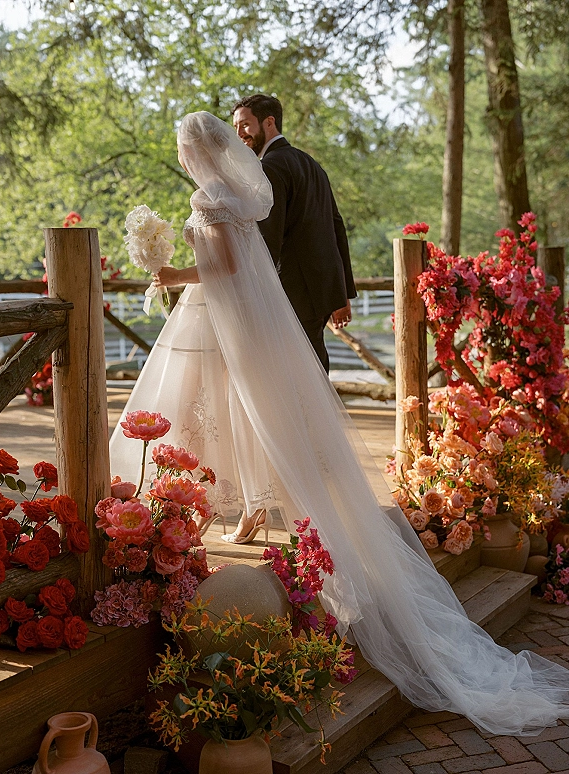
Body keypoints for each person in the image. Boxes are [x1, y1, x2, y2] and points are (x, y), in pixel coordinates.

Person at [110, 111, 569, 735]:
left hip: (221, 314)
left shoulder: (212, 198)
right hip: (237, 322)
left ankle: (238, 510)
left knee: (227, 412)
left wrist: (170, 273)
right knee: (245, 414)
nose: (184, 154)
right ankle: (249, 509)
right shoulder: (243, 196)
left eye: (185, 146)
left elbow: (227, 272)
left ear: (199, 151)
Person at [232, 94, 356, 372]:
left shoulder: (270, 166)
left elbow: (269, 235)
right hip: (320, 289)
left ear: (269, 122)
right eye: (236, 127)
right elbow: (336, 225)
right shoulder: (311, 164)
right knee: (312, 363)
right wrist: (342, 291)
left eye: (245, 125)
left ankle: (317, 416)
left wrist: (256, 286)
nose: (239, 134)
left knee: (296, 369)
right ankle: (322, 416)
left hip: (292, 287)